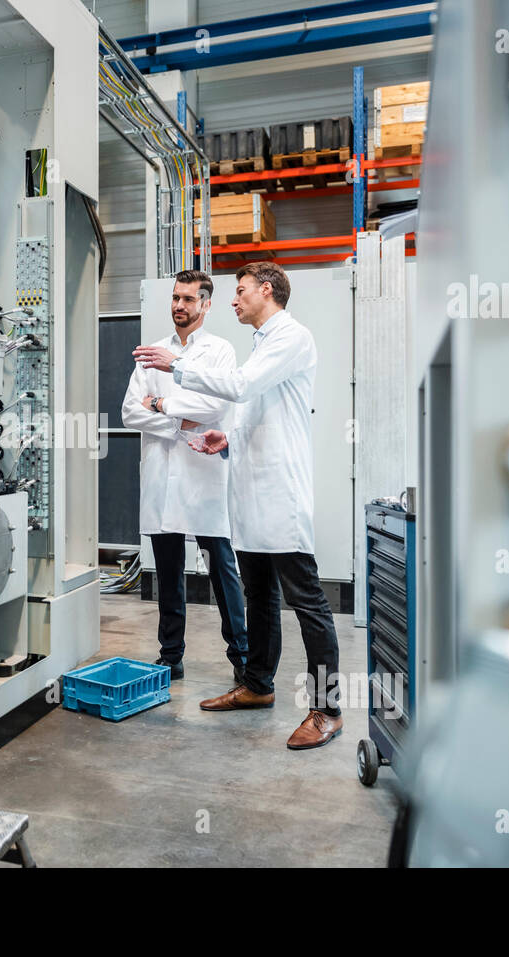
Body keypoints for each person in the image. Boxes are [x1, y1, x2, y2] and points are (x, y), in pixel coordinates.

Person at [132, 261, 343, 751]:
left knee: (308, 603)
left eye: (241, 291)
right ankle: (258, 685)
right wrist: (225, 437)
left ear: (266, 291)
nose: (234, 299)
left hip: (279, 493)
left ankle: (328, 709)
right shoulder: (262, 343)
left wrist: (176, 366)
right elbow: (255, 410)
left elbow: (243, 387)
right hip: (248, 493)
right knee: (260, 596)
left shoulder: (291, 337)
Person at [121, 270, 248, 685]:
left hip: (203, 477)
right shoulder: (151, 352)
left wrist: (158, 403)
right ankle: (170, 655)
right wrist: (178, 421)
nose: (179, 306)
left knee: (222, 569)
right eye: (175, 298)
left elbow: (213, 406)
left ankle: (242, 655)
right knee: (168, 572)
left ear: (205, 305)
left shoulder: (220, 351)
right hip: (162, 475)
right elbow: (128, 411)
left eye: (188, 299)